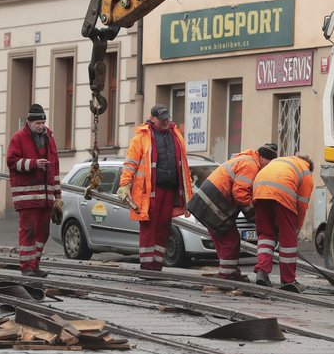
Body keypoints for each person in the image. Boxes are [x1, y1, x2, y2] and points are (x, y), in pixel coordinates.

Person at [116, 104, 192, 271]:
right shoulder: (141, 137)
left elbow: (183, 164)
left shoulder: (175, 134)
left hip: (169, 189)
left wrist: (187, 187)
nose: (166, 122)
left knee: (164, 226)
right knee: (149, 227)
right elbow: (130, 164)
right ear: (153, 119)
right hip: (150, 190)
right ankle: (147, 264)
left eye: (167, 118)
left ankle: (157, 263)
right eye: (162, 119)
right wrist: (124, 185)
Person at [187, 143, 279, 280]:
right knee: (231, 240)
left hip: (206, 201)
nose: (268, 168)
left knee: (221, 237)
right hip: (213, 202)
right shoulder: (251, 166)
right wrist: (252, 214)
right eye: (270, 164)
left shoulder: (246, 160)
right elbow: (240, 193)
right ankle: (227, 274)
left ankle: (230, 271)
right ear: (264, 158)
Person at [6, 103, 61, 277]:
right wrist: (33, 164)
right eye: (37, 123)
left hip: (46, 198)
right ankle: (27, 267)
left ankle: (35, 265)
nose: (40, 126)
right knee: (28, 231)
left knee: (42, 232)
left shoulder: (49, 139)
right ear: (29, 122)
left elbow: (56, 169)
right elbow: (11, 161)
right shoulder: (18, 138)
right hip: (27, 197)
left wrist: (57, 197)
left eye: (42, 123)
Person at [251, 153, 314, 289]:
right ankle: (288, 280)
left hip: (259, 191)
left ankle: (262, 272)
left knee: (266, 236)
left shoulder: (281, 161)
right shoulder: (306, 172)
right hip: (282, 194)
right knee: (288, 241)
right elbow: (302, 206)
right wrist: (295, 230)